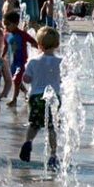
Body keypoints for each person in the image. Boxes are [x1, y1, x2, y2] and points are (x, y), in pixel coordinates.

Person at [18, 27, 63, 168]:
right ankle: (53, 154)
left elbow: (26, 79)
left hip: (36, 97)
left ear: (39, 44)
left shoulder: (33, 61)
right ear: (57, 45)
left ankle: (28, 142)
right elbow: (62, 79)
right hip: (53, 97)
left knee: (34, 124)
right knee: (52, 127)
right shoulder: (60, 62)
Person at [2, 10, 32, 108]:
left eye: (8, 24)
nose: (5, 27)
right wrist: (1, 57)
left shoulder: (22, 34)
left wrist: (42, 50)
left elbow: (33, 42)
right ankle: (26, 92)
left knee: (16, 79)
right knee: (17, 80)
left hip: (21, 61)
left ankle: (14, 100)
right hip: (12, 62)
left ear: (16, 23)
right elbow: (6, 47)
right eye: (4, 24)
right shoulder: (6, 35)